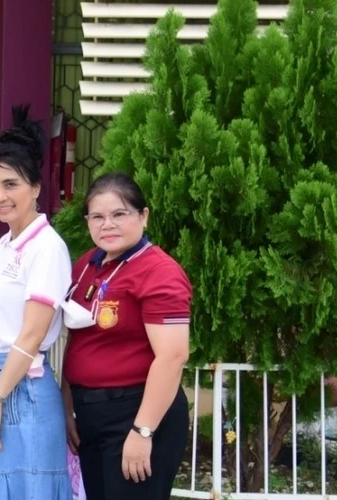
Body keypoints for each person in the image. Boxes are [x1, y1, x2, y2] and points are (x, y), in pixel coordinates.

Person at [62, 173, 193, 500]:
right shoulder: (86, 266)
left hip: (136, 412)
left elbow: (173, 356)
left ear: (143, 216)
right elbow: (78, 340)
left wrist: (142, 431)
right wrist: (68, 406)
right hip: (90, 414)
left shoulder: (158, 271)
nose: (108, 224)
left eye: (119, 214)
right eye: (97, 216)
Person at [0, 115, 75, 499]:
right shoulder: (5, 243)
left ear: (35, 187)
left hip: (21, 389)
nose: (0, 197)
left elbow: (31, 334)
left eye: (11, 185)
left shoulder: (47, 247)